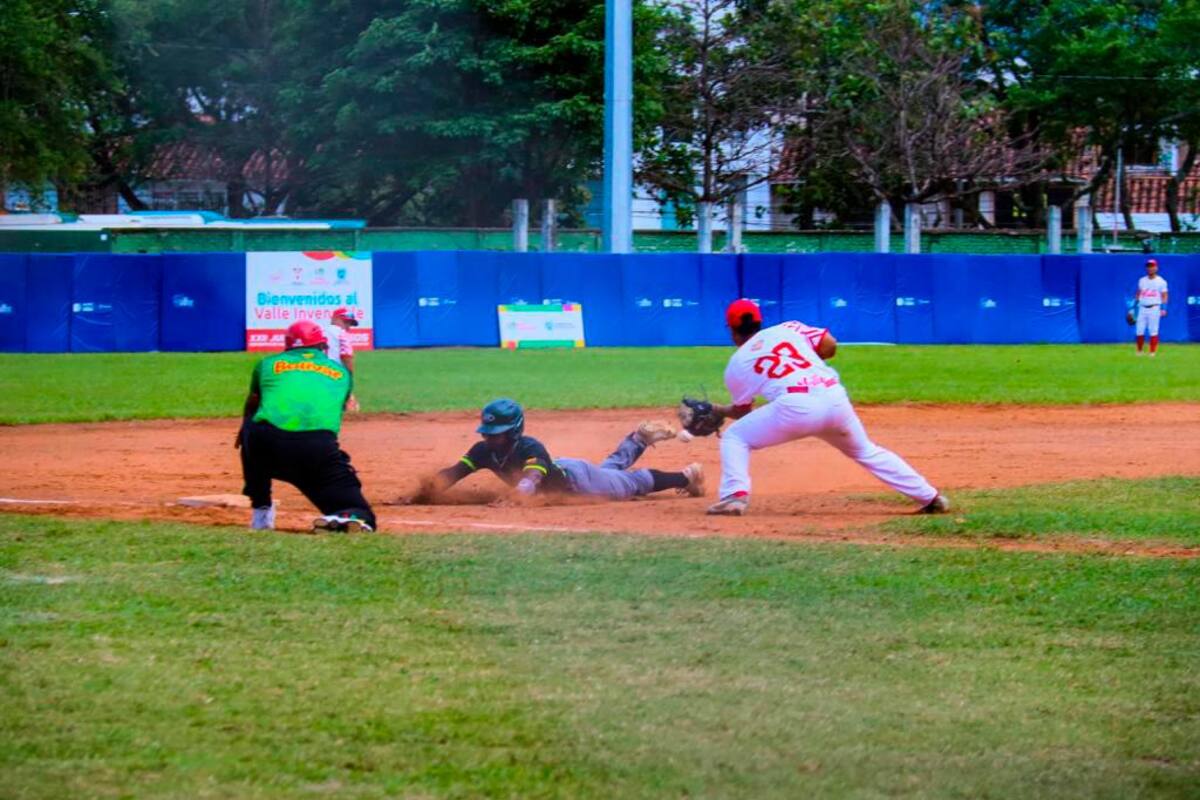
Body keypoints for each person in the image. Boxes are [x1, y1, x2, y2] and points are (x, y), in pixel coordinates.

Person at [704, 299, 949, 516]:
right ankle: (930, 497)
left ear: (732, 330)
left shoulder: (737, 363)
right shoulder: (788, 328)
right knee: (866, 451)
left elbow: (742, 412)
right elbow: (830, 344)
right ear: (759, 321)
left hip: (796, 408)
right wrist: (807, 365)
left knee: (735, 437)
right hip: (834, 398)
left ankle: (734, 497)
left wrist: (717, 410)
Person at [413, 398, 704, 504]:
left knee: (631, 483)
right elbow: (454, 472)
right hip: (569, 468)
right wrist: (423, 493)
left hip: (580, 483)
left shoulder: (530, 447)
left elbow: (532, 479)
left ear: (513, 431)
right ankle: (638, 439)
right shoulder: (482, 450)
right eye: (487, 431)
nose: (489, 437)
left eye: (496, 433)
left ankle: (687, 476)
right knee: (610, 472)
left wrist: (517, 496)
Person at [237, 320, 376, 533]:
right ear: (323, 346)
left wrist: (244, 432)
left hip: (266, 446)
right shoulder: (342, 374)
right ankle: (345, 514)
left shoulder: (267, 364)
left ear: (287, 346)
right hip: (316, 450)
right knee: (360, 513)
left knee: (251, 427)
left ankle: (261, 509)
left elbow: (253, 403)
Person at [325, 307, 361, 410]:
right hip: (334, 376)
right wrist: (349, 378)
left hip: (315, 373)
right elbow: (346, 357)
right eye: (345, 322)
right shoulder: (341, 334)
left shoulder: (318, 331)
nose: (348, 326)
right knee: (352, 407)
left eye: (350, 324)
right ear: (335, 318)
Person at [1133, 258, 1168, 356]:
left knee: (1153, 330)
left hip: (1154, 308)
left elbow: (1165, 295)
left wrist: (1164, 308)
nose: (1150, 268)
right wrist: (1133, 307)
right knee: (1139, 330)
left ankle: (1152, 352)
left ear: (1156, 268)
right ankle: (1139, 351)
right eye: (1148, 266)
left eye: (1152, 266)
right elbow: (1138, 293)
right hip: (1142, 308)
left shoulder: (1161, 281)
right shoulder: (1142, 280)